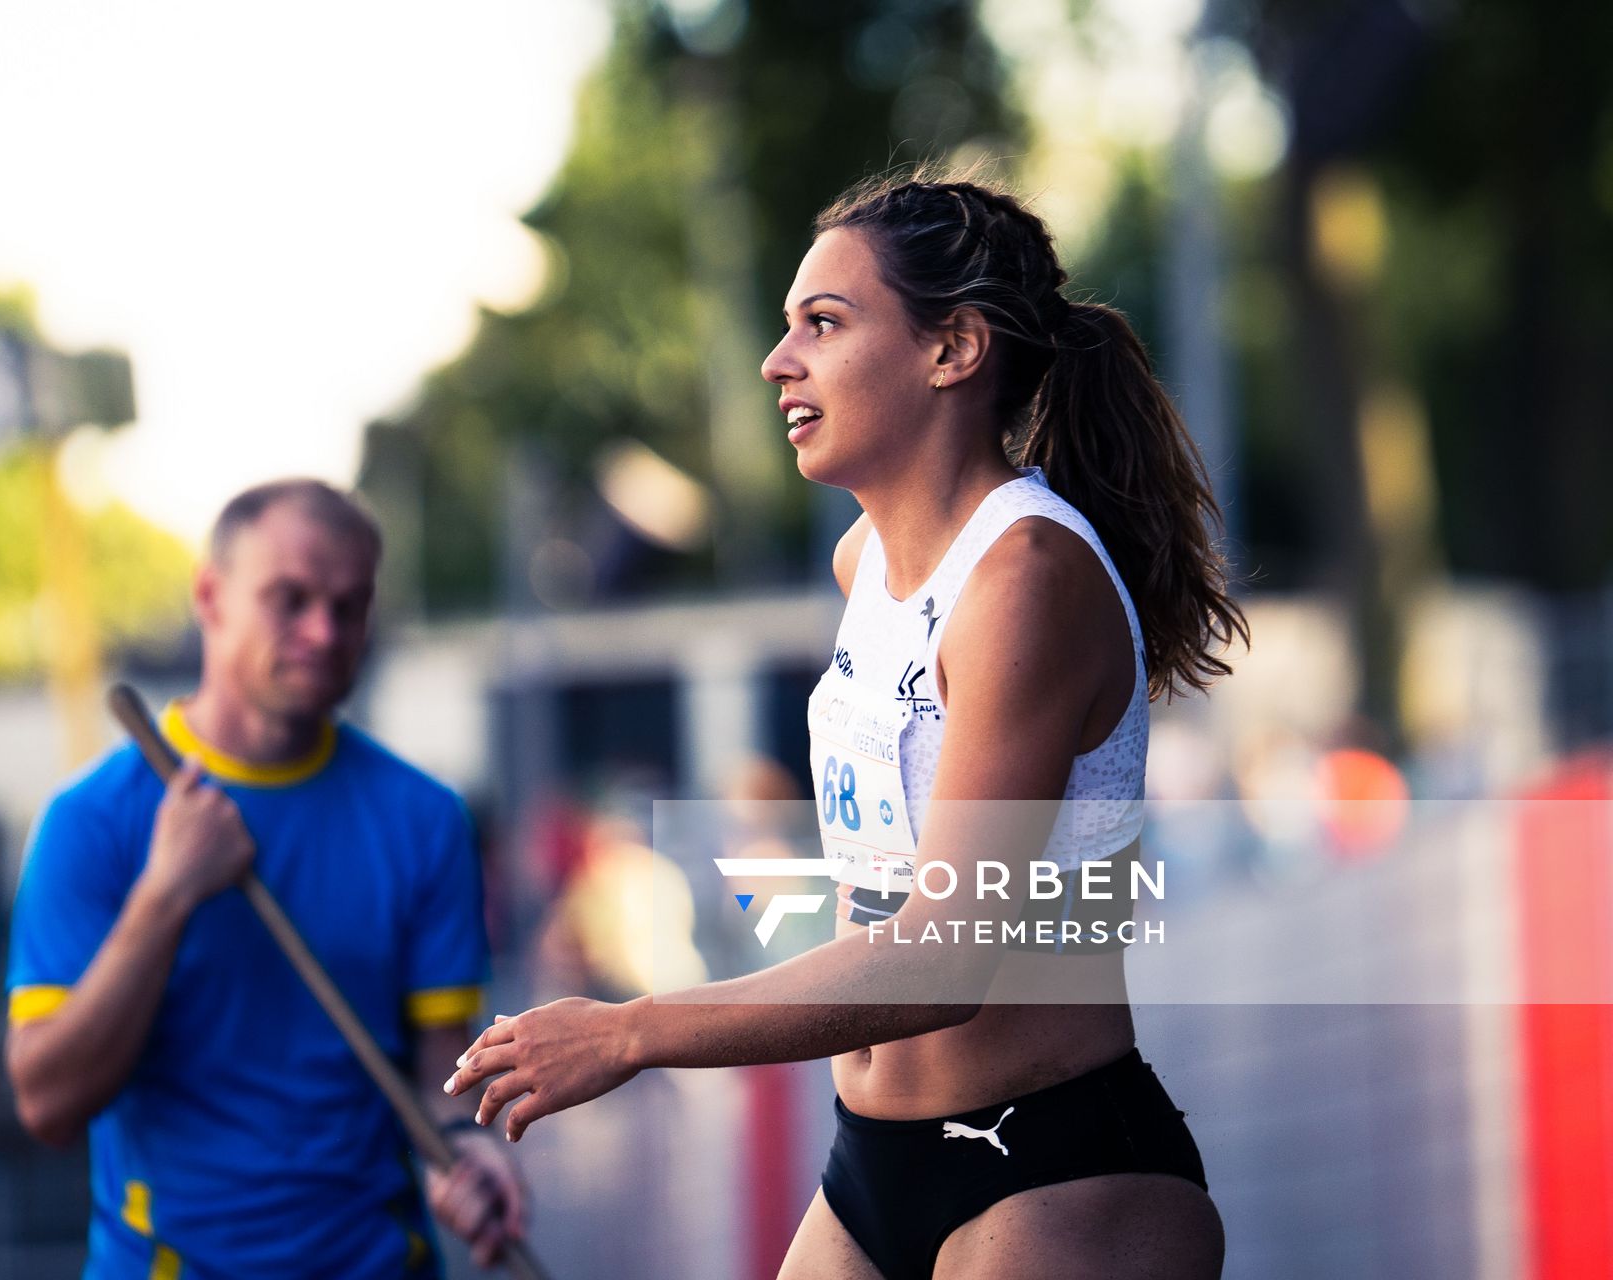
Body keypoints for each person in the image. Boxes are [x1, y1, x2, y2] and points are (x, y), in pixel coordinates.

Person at [446, 168, 1250, 1278]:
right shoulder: (860, 562)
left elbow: (945, 956)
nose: (781, 363)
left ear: (952, 348)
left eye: (823, 324)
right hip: (867, 1164)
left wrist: (632, 1029)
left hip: (1053, 1165)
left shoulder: (1027, 573)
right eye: (787, 329)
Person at [5, 480, 525, 1278]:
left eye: (349, 607)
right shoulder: (93, 822)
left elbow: (436, 1072)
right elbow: (47, 1103)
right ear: (210, 597)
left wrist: (467, 1146)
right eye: (290, 600)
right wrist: (166, 892)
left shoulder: (424, 819)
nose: (323, 631)